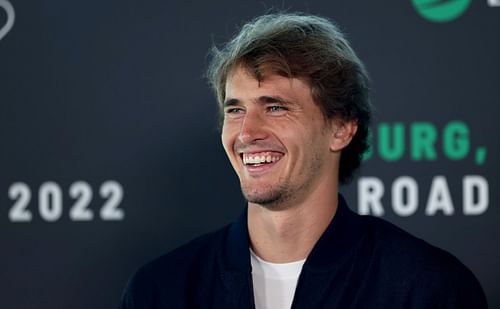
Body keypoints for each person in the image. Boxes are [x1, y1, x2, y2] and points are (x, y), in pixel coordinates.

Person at [120, 12, 487, 308]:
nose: (246, 133)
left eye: (276, 107)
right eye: (235, 110)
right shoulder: (160, 291)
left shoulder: (428, 289)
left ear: (341, 129)